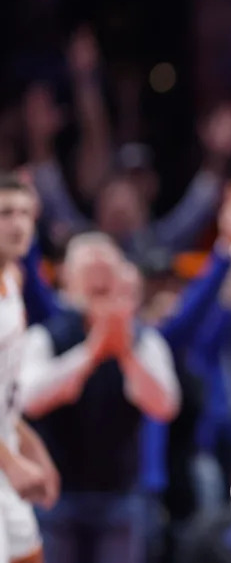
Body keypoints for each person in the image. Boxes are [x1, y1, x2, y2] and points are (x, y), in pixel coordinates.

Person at [18, 233, 180, 563]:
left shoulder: (142, 339)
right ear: (68, 277)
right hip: (55, 497)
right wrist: (92, 352)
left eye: (105, 266)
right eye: (89, 267)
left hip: (120, 497)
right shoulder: (46, 335)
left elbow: (165, 405)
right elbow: (29, 400)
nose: (98, 275)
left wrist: (127, 356)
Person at [0, 175, 59, 563]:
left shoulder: (12, 277)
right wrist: (11, 463)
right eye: (5, 213)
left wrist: (30, 443)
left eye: (26, 213)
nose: (18, 223)